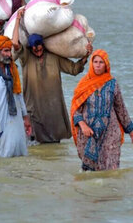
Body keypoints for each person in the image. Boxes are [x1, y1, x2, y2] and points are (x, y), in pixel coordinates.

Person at [12, 8, 92, 144]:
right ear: (30, 48)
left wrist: (86, 56)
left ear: (43, 45)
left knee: (54, 143)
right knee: (33, 143)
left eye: (39, 47)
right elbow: (14, 43)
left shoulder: (54, 57)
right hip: (33, 108)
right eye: (34, 48)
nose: (37, 50)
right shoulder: (26, 58)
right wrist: (18, 19)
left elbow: (74, 69)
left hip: (53, 109)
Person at [70, 49, 133, 171]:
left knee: (111, 170)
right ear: (91, 64)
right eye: (95, 62)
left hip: (110, 133)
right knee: (89, 174)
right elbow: (75, 109)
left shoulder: (112, 83)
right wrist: (83, 126)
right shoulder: (84, 84)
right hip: (88, 132)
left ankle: (112, 189)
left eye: (101, 62)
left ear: (106, 65)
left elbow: (121, 110)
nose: (97, 65)